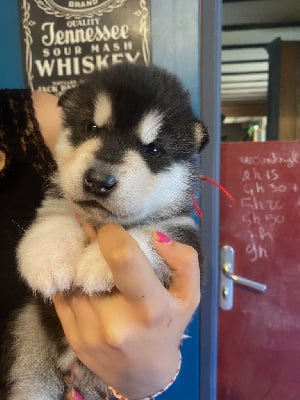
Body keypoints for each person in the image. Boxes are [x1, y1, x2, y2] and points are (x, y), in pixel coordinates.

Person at [0, 90, 201, 400]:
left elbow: (160, 323)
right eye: (93, 130)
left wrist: (151, 375)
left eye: (153, 148)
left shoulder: (37, 119)